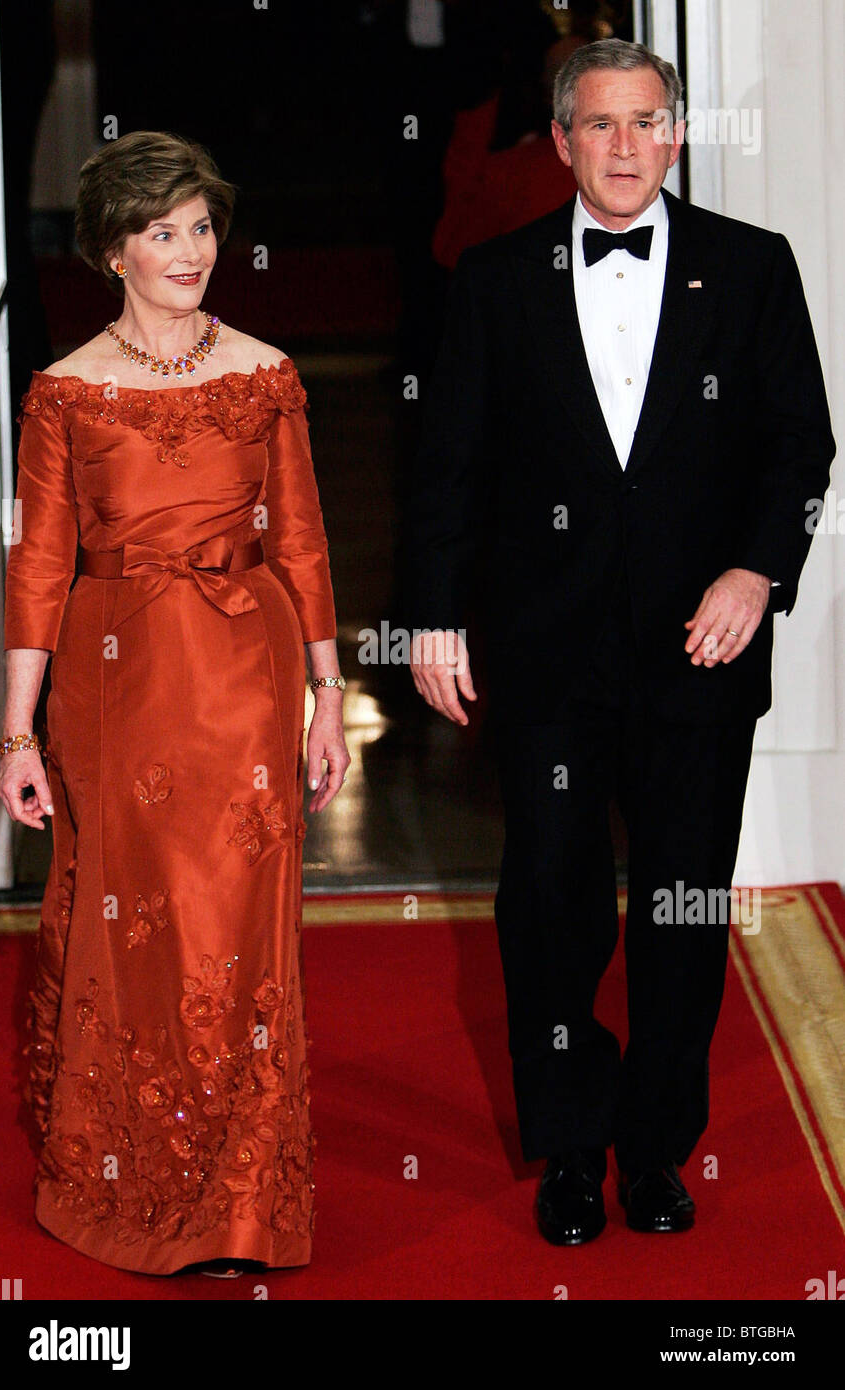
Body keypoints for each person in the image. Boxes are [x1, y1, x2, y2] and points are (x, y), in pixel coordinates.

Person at [404, 39, 835, 1243]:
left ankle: (654, 1149)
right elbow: (447, 467)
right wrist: (433, 615)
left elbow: (799, 447)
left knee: (681, 905)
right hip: (544, 651)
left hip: (698, 650)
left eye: (646, 121)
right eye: (599, 125)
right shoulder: (491, 279)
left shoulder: (750, 269)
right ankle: (568, 1144)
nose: (626, 145)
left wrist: (758, 570)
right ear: (560, 140)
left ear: (678, 133)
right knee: (548, 904)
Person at [0, 130, 350, 1276]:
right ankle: (130, 1176)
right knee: (127, 930)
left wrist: (327, 697)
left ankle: (240, 1201)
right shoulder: (64, 391)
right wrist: (15, 733)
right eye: (163, 231)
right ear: (112, 250)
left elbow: (300, 543)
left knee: (238, 933)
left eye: (201, 225)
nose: (191, 249)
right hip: (113, 690)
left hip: (241, 685)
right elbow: (40, 571)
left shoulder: (265, 372)